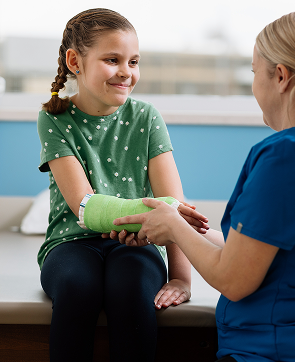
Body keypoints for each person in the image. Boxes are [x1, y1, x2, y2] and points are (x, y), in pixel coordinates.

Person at [113, 10, 295, 362]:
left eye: (253, 72)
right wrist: (182, 229)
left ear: (280, 76)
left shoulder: (290, 155)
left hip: (292, 351)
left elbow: (233, 279)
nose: (254, 86)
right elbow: (281, 254)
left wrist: (174, 226)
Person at [36, 8, 203, 362]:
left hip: (138, 243)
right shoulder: (55, 118)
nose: (127, 72)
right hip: (71, 242)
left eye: (134, 61)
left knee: (130, 289)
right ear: (74, 62)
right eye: (113, 60)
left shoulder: (146, 117)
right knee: (78, 287)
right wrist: (157, 213)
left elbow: (172, 202)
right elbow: (85, 206)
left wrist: (181, 280)